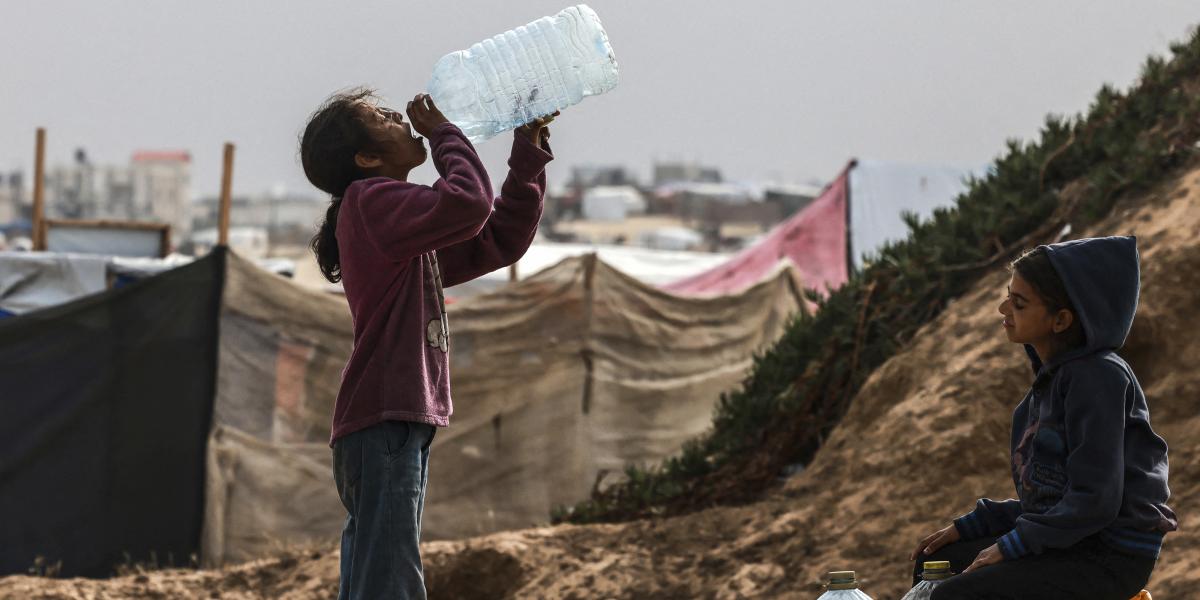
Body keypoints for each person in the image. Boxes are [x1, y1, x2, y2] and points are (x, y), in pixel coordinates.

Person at [300, 88, 556, 600]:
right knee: (388, 579)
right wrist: (442, 133)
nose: (398, 115)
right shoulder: (370, 203)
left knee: (377, 572)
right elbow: (469, 203)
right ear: (367, 159)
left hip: (392, 423)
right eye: (379, 117)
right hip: (384, 420)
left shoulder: (398, 226)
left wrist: (526, 158)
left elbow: (496, 239)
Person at [908, 236, 1177, 599]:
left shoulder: (1098, 378)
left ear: (1061, 319)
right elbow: (1051, 503)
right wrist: (979, 523)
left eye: (1018, 303)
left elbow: (1095, 502)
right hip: (1072, 541)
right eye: (1008, 296)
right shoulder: (1051, 385)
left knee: (953, 595)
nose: (1003, 309)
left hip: (1109, 556)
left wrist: (1010, 546)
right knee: (935, 561)